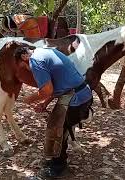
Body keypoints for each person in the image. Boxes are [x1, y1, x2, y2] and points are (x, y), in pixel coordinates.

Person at [14, 44, 93, 178]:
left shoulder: (35, 60)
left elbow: (47, 90)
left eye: (23, 66)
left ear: (24, 56)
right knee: (58, 125)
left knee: (57, 129)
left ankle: (57, 167)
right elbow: (56, 85)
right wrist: (45, 103)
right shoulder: (45, 51)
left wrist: (29, 99)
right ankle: (56, 159)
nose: (27, 69)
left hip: (76, 98)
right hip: (82, 93)